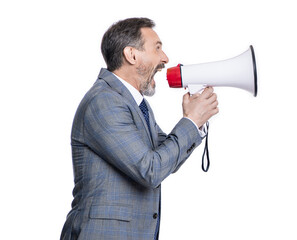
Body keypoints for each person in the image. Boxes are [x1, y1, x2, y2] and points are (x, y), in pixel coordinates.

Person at [60, 17, 219, 240]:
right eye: (157, 48)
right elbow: (150, 170)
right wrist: (190, 121)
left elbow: (164, 159)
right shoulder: (104, 101)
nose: (165, 58)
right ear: (132, 55)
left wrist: (196, 122)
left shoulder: (135, 104)